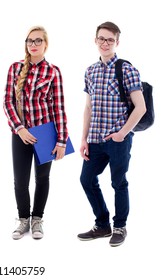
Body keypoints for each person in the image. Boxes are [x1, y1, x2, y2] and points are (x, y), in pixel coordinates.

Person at [77, 21, 146, 247]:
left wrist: (122, 133)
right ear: (95, 40)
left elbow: (140, 107)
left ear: (117, 42)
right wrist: (83, 139)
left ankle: (120, 227)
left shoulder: (127, 69)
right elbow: (88, 108)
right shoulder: (90, 70)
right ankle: (102, 224)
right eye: (101, 38)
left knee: (119, 183)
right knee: (86, 179)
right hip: (95, 140)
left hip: (118, 140)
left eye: (109, 39)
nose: (105, 43)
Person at [3, 26, 69, 240]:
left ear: (45, 44)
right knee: (20, 181)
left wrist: (61, 140)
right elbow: (7, 102)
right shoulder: (14, 68)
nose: (33, 44)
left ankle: (37, 219)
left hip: (45, 132)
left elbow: (59, 108)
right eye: (30, 41)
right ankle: (23, 219)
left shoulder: (53, 71)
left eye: (38, 41)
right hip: (20, 133)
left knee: (42, 178)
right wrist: (19, 128)